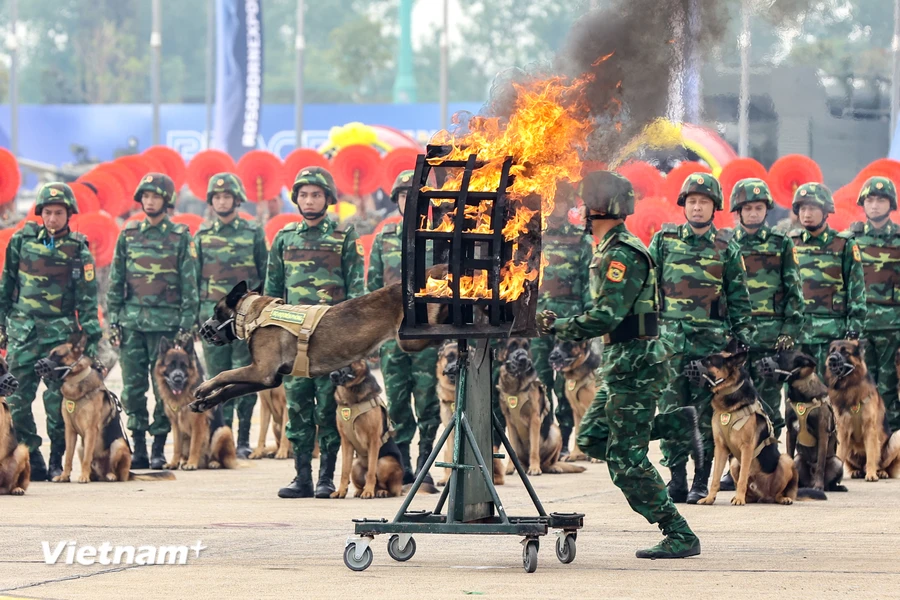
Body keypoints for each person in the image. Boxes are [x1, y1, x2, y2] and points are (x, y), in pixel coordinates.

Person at [539, 171, 700, 559]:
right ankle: (677, 422)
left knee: (627, 461)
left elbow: (607, 316)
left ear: (601, 207)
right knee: (592, 438)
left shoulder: (621, 253)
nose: (581, 208)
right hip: (620, 361)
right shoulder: (607, 247)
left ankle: (678, 533)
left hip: (636, 363)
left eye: (587, 202)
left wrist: (557, 326)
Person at [648, 173, 754, 504]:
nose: (697, 207)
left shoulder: (726, 247)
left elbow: (739, 299)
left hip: (710, 349)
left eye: (704, 202)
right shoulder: (664, 241)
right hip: (668, 344)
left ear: (714, 208)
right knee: (671, 411)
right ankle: (676, 477)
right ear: (684, 205)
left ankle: (701, 478)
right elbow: (647, 289)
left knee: (708, 415)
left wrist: (740, 342)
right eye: (692, 201)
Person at [266, 167, 365, 498]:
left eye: (317, 195)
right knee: (297, 407)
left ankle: (326, 477)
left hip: (330, 341)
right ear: (296, 199)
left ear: (328, 199)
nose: (310, 201)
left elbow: (355, 295)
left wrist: (353, 343)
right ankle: (302, 477)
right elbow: (272, 294)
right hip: (293, 341)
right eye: (304, 195)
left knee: (328, 407)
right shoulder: (284, 238)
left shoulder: (343, 237)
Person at [0, 183, 101, 481]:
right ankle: (31, 455)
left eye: (59, 212)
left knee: (58, 400)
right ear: (40, 213)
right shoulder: (21, 241)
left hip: (60, 338)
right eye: (48, 212)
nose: (53, 218)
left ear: (69, 214)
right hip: (24, 332)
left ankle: (58, 457)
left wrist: (91, 338)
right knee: (16, 399)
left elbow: (87, 296)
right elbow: (6, 287)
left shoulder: (78, 248)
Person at [108, 173, 199, 470]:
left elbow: (190, 284)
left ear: (166, 201)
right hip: (132, 323)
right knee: (133, 388)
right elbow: (116, 279)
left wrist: (187, 325)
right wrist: (114, 319)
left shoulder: (180, 236)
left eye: (155, 196)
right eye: (145, 196)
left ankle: (160, 445)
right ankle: (140, 445)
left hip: (167, 326)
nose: (149, 201)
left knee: (165, 388)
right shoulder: (129, 233)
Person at [367, 170, 439, 484]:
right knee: (396, 400)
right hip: (391, 337)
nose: (409, 201)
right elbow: (372, 292)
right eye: (404, 195)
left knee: (428, 401)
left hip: (428, 333)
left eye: (417, 196)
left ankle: (425, 463)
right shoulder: (383, 238)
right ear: (396, 199)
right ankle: (405, 464)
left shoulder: (440, 235)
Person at [195, 172, 268, 458]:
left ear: (237, 200)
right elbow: (194, 280)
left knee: (246, 377)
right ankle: (217, 435)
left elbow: (265, 274)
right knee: (215, 377)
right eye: (217, 197)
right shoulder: (202, 236)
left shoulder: (253, 233)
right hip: (213, 321)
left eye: (227, 196)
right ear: (211, 202)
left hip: (243, 321)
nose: (222, 201)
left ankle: (243, 438)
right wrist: (195, 317)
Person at [530, 182, 594, 458]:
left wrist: (586, 325)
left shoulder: (580, 240)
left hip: (568, 323)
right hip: (537, 322)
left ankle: (567, 442)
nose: (553, 206)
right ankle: (546, 442)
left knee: (566, 384)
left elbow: (587, 286)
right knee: (540, 384)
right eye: (549, 201)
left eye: (558, 201)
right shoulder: (533, 238)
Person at [790, 183, 866, 370]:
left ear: (825, 211)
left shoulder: (843, 244)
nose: (807, 213)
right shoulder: (790, 243)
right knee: (798, 393)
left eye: (813, 208)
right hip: (798, 335)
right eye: (803, 208)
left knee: (832, 392)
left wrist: (853, 330)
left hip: (833, 336)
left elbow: (856, 289)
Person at [847, 177, 900, 430]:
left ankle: (889, 445)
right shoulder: (851, 239)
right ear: (863, 204)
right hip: (860, 327)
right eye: (870, 200)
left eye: (881, 200)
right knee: (859, 388)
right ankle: (862, 448)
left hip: (892, 326)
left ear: (891, 205)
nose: (875, 205)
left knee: (889, 388)